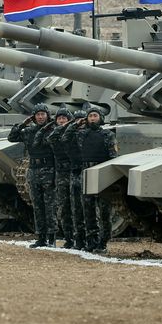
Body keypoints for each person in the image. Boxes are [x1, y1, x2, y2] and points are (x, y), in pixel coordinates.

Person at [63, 107, 117, 253]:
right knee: (88, 212)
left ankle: (103, 242)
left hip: (102, 174)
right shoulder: (82, 134)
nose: (93, 118)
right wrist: (75, 124)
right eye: (90, 116)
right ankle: (91, 241)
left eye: (95, 116)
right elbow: (65, 137)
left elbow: (113, 156)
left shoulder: (108, 134)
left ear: (100, 118)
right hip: (86, 174)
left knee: (104, 212)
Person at [9, 103, 56, 248]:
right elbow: (12, 137)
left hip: (48, 169)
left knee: (50, 206)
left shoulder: (52, 131)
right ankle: (41, 237)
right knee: (37, 206)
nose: (40, 117)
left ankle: (52, 238)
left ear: (47, 116)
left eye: (43, 114)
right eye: (38, 114)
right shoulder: (29, 131)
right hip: (33, 170)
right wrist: (23, 123)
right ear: (33, 117)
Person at [47, 107, 76, 249]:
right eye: (59, 119)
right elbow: (51, 138)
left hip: (75, 172)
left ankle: (80, 238)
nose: (62, 121)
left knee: (77, 207)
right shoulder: (55, 135)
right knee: (64, 208)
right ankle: (69, 238)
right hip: (61, 174)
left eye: (64, 118)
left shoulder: (76, 133)